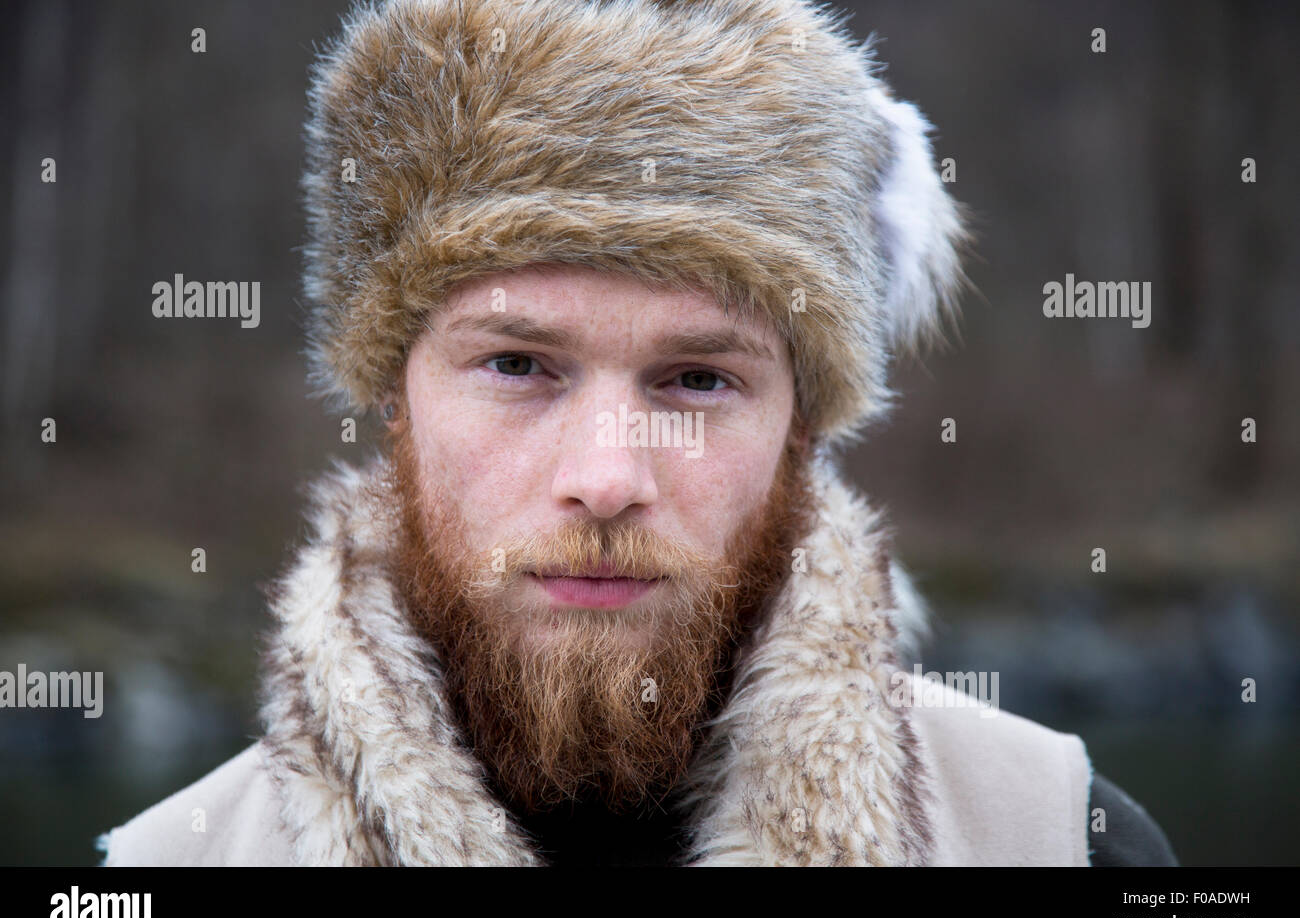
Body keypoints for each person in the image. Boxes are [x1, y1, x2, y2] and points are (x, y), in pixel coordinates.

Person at [98, 0, 1175, 866]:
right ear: (393, 396)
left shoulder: (1060, 837)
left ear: (802, 426)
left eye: (697, 377)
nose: (606, 477)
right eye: (517, 364)